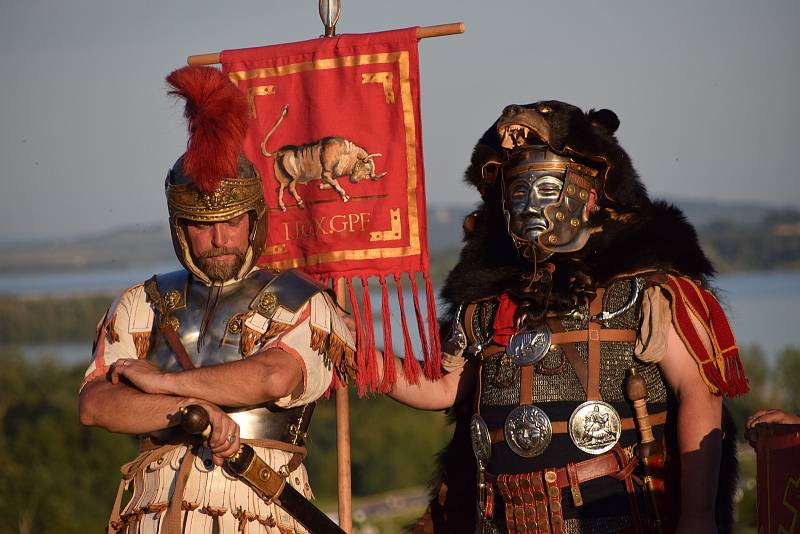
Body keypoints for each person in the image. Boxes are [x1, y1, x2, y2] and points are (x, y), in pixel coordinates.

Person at [373, 101, 748, 534]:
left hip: (615, 518)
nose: (531, 206)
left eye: (546, 189)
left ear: (588, 195)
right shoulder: (488, 306)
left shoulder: (644, 290)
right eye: (518, 192)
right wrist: (352, 348)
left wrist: (697, 516)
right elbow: (442, 387)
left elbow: (699, 390)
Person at [79, 65, 355, 534]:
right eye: (203, 226)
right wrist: (193, 413)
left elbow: (271, 376)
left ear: (254, 219)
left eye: (231, 222)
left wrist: (158, 384)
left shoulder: (304, 302)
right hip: (153, 511)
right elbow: (96, 404)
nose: (220, 238)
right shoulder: (142, 303)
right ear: (181, 227)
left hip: (260, 509)